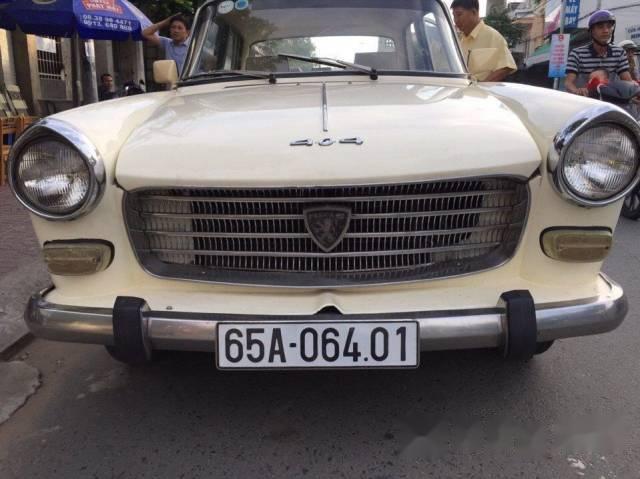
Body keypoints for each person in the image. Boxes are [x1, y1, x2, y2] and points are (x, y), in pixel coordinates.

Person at [565, 10, 632, 96]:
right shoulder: (577, 54)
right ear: (592, 31)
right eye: (600, 27)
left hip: (611, 100)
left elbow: (627, 81)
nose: (606, 30)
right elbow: (568, 83)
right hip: (585, 100)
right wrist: (577, 91)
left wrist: (633, 92)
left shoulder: (619, 53)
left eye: (609, 27)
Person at [450, 0, 517, 82]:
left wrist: (482, 85)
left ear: (474, 12)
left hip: (480, 89)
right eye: (454, 16)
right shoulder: (458, 40)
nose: (456, 20)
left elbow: (506, 67)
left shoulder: (492, 36)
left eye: (459, 14)